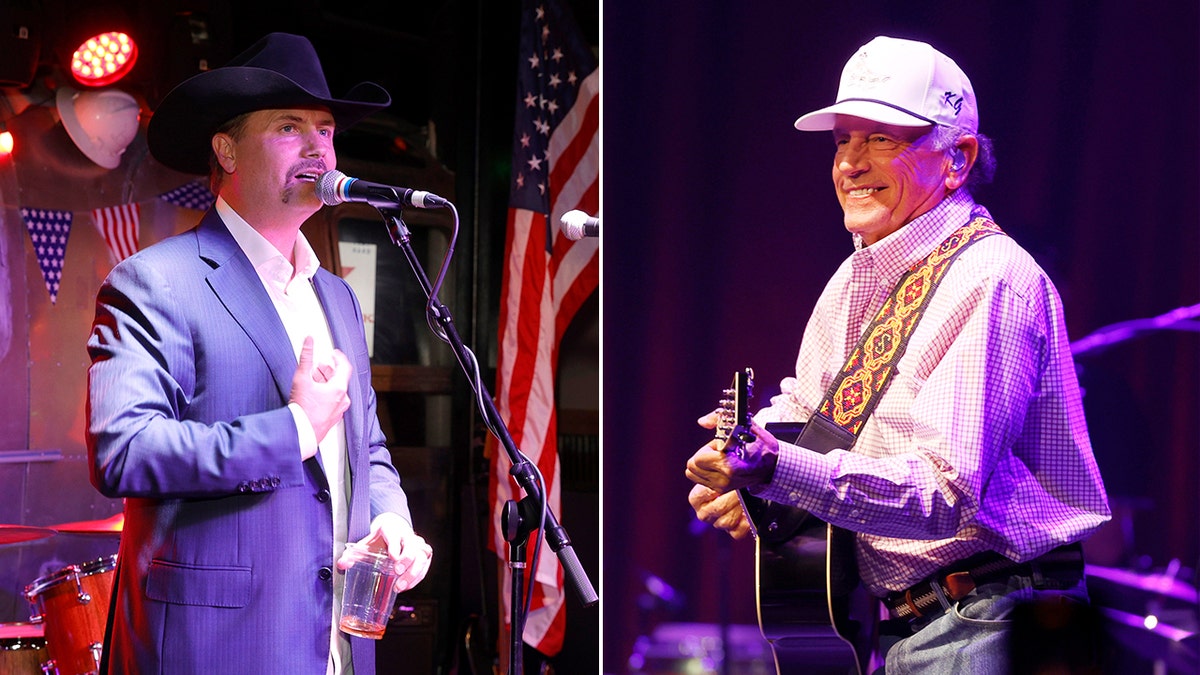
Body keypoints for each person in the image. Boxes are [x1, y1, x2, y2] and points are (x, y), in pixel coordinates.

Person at [685, 36, 1110, 673]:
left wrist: (774, 468)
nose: (850, 163)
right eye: (842, 141)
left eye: (881, 139)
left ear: (957, 158)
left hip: (990, 621)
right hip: (916, 627)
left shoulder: (989, 280)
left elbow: (944, 492)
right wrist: (748, 476)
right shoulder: (853, 281)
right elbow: (813, 423)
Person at [86, 32, 432, 674]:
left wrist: (390, 519)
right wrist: (294, 429)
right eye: (288, 126)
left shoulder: (336, 297)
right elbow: (123, 451)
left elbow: (367, 448)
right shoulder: (156, 281)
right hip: (216, 648)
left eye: (325, 130)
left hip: (333, 643)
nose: (317, 147)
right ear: (226, 148)